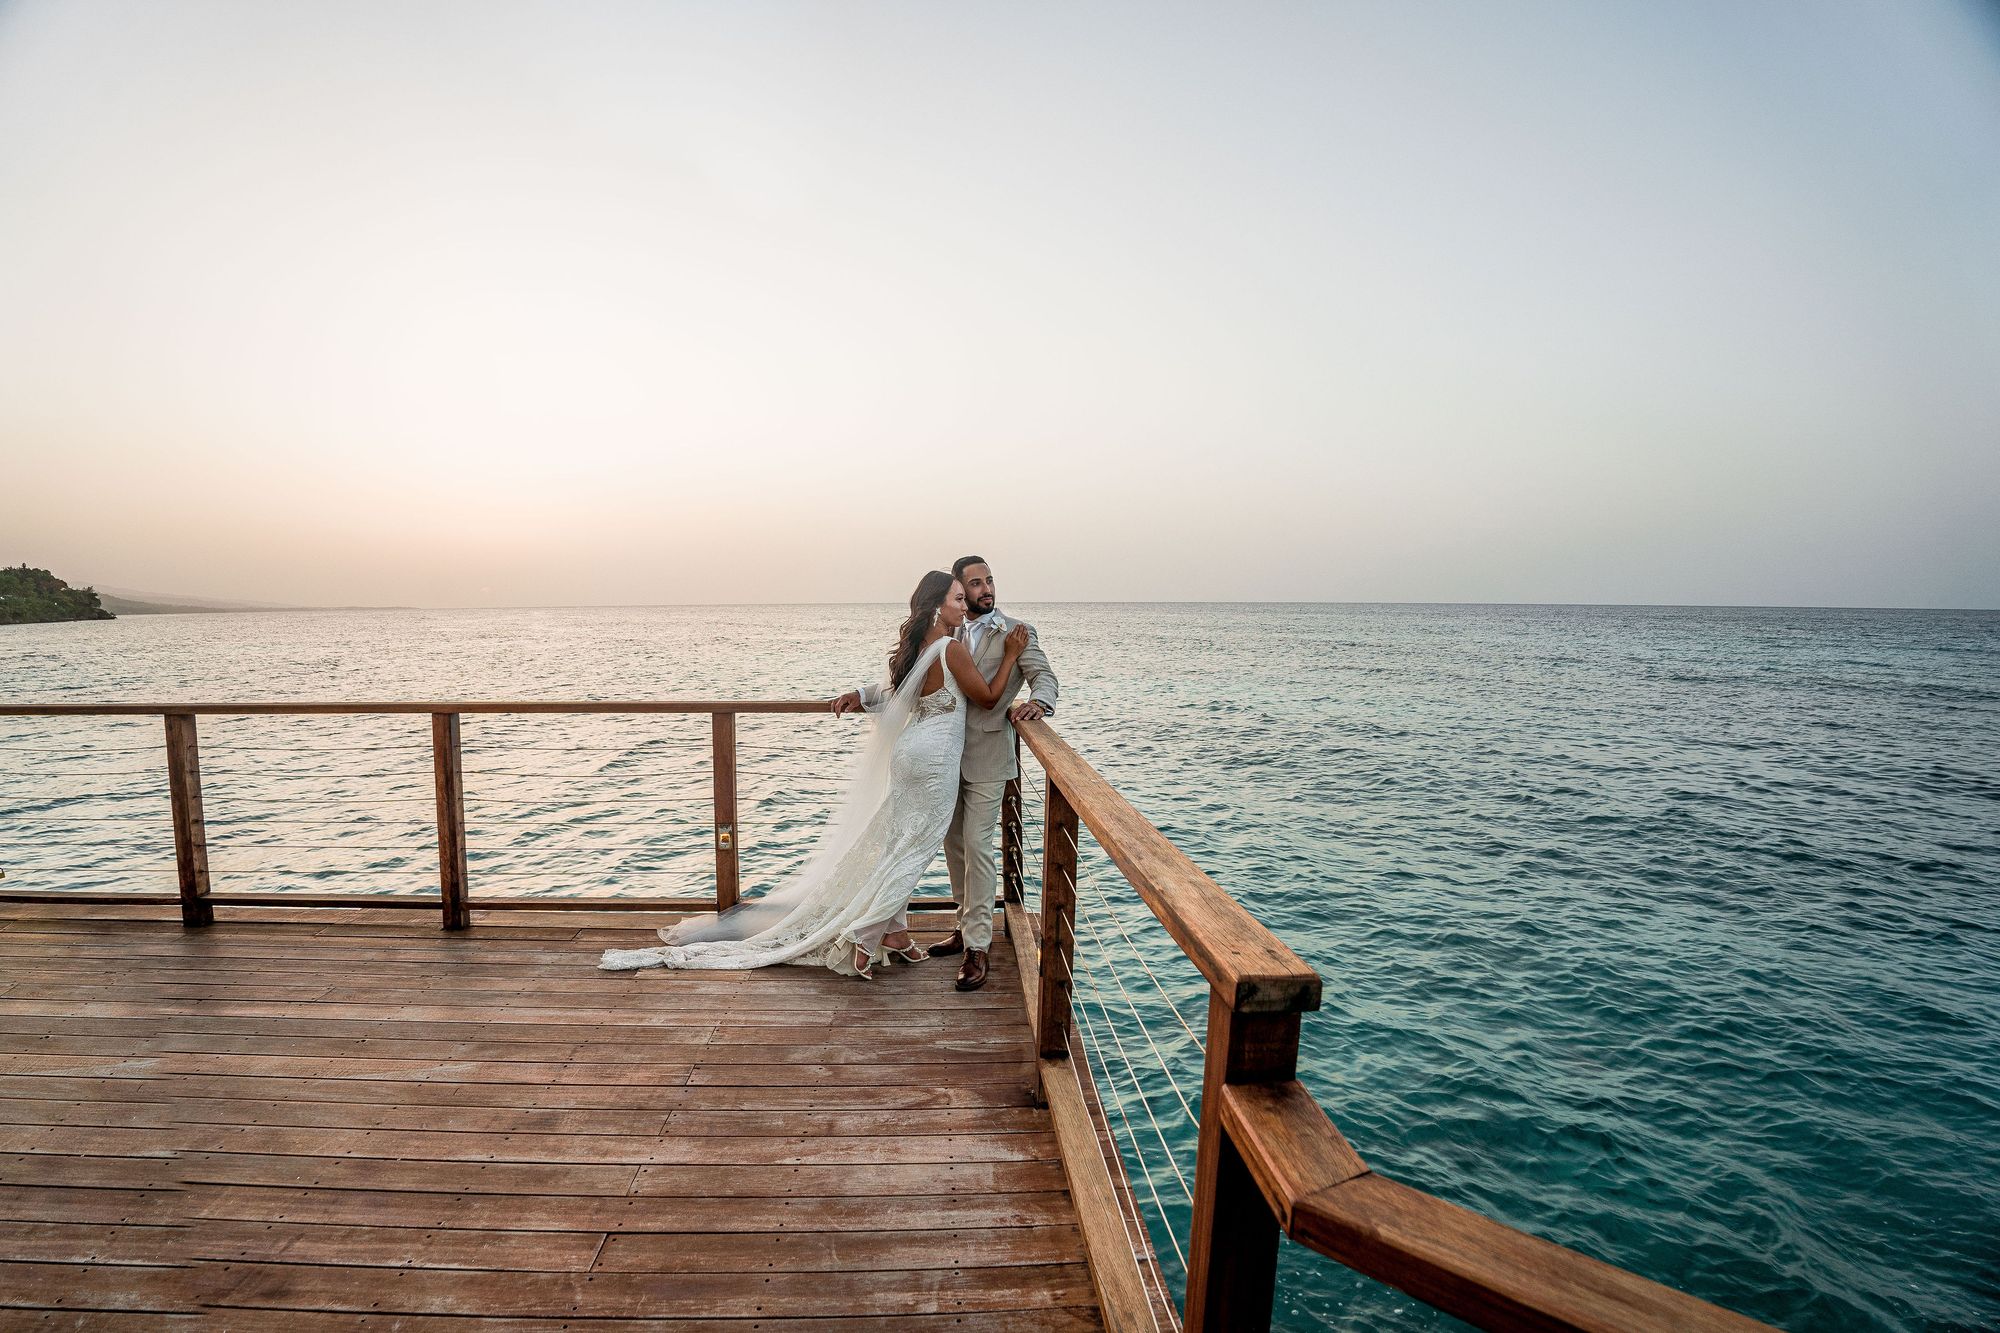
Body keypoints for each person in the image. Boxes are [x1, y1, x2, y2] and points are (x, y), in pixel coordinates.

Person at [599, 570, 1026, 979]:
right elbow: (988, 699)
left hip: (912, 752)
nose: (964, 603)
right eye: (956, 598)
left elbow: (896, 694)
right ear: (937, 606)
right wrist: (1010, 655)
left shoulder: (918, 649)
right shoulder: (950, 649)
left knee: (897, 843)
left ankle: (895, 933)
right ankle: (865, 932)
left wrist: (860, 695)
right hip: (935, 761)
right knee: (914, 850)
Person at [833, 556, 1058, 990]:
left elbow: (1043, 676)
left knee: (976, 846)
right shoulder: (945, 637)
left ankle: (978, 945)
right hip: (939, 759)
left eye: (989, 580)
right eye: (975, 584)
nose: (986, 588)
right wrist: (860, 694)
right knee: (953, 848)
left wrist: (1040, 704)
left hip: (987, 756)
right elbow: (906, 685)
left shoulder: (1014, 631)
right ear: (958, 593)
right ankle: (960, 927)